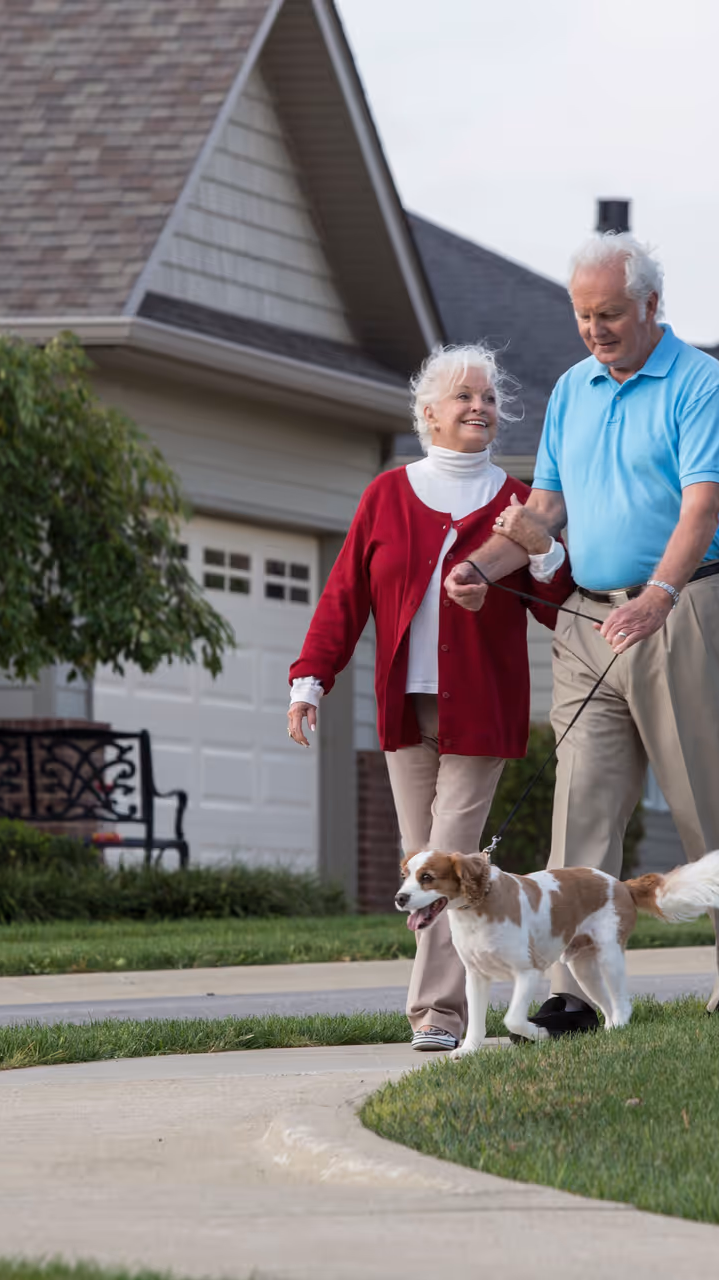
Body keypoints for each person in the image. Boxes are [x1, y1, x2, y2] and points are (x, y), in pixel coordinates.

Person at [444, 232, 719, 1034]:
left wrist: (658, 593)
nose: (595, 328)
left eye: (611, 313)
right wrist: (485, 565)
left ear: (652, 305)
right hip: (588, 617)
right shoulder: (573, 390)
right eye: (584, 315)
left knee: (708, 810)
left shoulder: (700, 384)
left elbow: (701, 506)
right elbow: (546, 509)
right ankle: (570, 996)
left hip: (682, 608)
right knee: (580, 813)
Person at [288, 344, 570, 1053]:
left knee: (448, 857)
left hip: (483, 711)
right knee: (426, 864)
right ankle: (462, 997)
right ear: (429, 414)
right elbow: (345, 597)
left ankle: (437, 1014)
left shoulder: (515, 500)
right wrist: (309, 680)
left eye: (488, 398)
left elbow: (555, 603)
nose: (480, 407)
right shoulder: (386, 495)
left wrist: (541, 549)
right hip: (406, 710)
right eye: (464, 397)